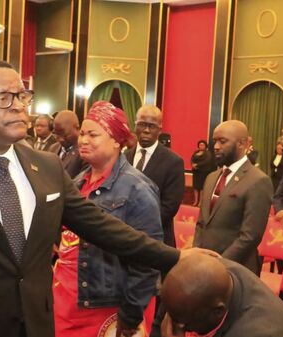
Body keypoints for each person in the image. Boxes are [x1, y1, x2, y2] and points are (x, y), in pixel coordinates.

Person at [0, 61, 213, 337]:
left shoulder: (45, 166)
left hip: (37, 325)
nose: (17, 105)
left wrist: (173, 257)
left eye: (22, 95)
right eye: (2, 97)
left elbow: (101, 227)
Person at [54, 101, 162, 337]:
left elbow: (147, 261)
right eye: (82, 133)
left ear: (116, 140)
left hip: (106, 309)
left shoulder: (138, 189)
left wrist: (131, 314)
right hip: (65, 303)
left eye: (93, 134)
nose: (83, 140)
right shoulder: (77, 182)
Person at [193, 120, 273, 275]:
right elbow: (201, 223)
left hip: (236, 270)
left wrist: (220, 263)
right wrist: (197, 254)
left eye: (222, 141)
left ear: (242, 144)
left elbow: (250, 236)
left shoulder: (258, 180)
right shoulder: (211, 177)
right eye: (215, 141)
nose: (216, 146)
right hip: (204, 267)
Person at [160, 255, 283, 337]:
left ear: (218, 311)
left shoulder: (255, 333)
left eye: (185, 322)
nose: (178, 326)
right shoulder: (219, 270)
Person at [125, 104, 184, 249]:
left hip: (157, 240)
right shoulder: (124, 157)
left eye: (152, 126)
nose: (146, 130)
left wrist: (137, 226)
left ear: (160, 129)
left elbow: (169, 206)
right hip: (123, 237)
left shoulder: (173, 161)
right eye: (142, 125)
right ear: (134, 126)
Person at [49, 110, 85, 178]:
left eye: (65, 135)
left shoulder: (83, 153)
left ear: (77, 128)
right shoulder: (52, 148)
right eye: (57, 134)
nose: (60, 139)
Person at [190, 140, 215, 206]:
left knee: (201, 187)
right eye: (200, 145)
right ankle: (195, 201)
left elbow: (206, 161)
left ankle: (200, 202)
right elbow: (192, 159)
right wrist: (192, 164)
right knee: (195, 187)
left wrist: (197, 165)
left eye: (203, 145)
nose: (201, 146)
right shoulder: (196, 152)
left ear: (205, 146)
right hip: (196, 172)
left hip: (203, 172)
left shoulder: (207, 153)